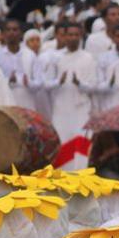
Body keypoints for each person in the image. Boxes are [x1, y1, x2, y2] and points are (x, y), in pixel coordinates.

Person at [45, 23, 98, 170]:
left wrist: (79, 83)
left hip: (81, 110)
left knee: (80, 145)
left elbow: (93, 86)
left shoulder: (88, 58)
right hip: (61, 109)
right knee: (62, 143)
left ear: (80, 36)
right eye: (70, 35)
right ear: (64, 36)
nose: (73, 38)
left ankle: (80, 181)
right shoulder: (56, 58)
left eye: (76, 35)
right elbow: (46, 85)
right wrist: (58, 82)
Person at [0, 19, 38, 111]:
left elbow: (39, 82)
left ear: (20, 33)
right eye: (8, 30)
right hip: (4, 103)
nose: (12, 33)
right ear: (3, 34)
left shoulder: (30, 54)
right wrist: (8, 80)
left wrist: (28, 83)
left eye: (15, 30)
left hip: (27, 103)